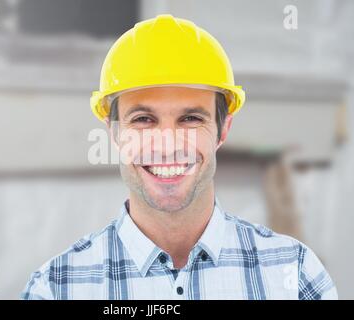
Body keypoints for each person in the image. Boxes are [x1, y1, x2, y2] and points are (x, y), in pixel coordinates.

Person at [21, 14, 337, 300]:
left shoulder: (296, 276)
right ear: (115, 132)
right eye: (144, 119)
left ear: (223, 129)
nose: (169, 144)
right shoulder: (57, 288)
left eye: (190, 119)